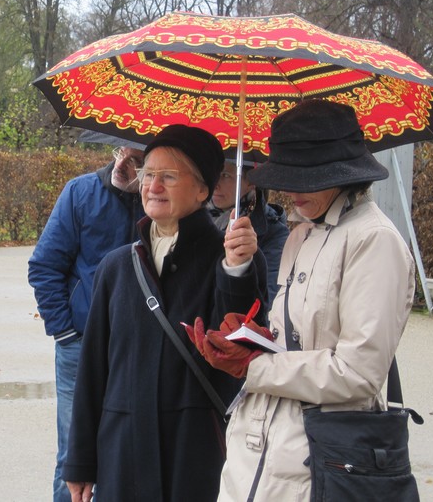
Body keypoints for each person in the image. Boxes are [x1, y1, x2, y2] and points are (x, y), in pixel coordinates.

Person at [188, 99, 415, 500]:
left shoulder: (375, 241)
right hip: (259, 451)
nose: (292, 190)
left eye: (306, 177)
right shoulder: (301, 234)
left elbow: (358, 374)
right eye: (287, 175)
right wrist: (253, 338)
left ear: (344, 175)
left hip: (322, 459)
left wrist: (255, 367)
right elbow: (292, 341)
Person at [62, 125, 267, 502]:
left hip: (197, 454)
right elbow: (93, 371)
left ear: (203, 189)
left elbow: (240, 352)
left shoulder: (230, 261)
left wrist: (237, 270)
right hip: (123, 451)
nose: (153, 186)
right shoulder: (116, 267)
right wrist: (80, 462)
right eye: (149, 174)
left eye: (169, 176)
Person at [28, 143, 146, 502]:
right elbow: (44, 265)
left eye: (144, 161)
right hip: (81, 344)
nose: (132, 165)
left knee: (132, 452)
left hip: (139, 348)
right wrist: (66, 332)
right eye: (129, 154)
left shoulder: (163, 203)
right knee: (74, 454)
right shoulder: (81, 192)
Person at [208, 158, 289, 307]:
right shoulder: (194, 218)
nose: (216, 183)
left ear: (251, 181)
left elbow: (269, 300)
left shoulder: (273, 234)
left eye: (225, 175)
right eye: (214, 173)